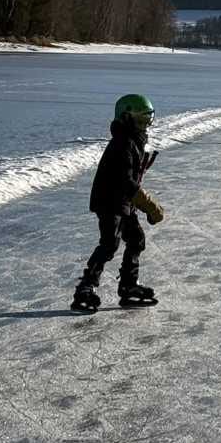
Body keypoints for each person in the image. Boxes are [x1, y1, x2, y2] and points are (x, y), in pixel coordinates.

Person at [71, 94, 165, 312]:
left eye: (147, 120)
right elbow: (126, 182)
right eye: (140, 121)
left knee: (136, 239)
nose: (145, 126)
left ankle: (128, 286)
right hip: (109, 201)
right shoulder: (123, 143)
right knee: (109, 244)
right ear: (126, 118)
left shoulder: (133, 140)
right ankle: (85, 288)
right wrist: (150, 205)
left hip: (123, 201)